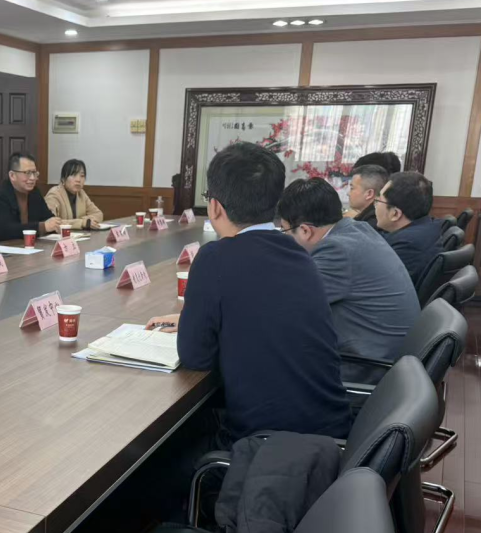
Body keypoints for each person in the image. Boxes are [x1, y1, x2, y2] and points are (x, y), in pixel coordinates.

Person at [147, 142, 350, 444]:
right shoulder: (298, 253)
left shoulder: (214, 257)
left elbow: (195, 358)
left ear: (215, 207)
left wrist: (198, 324)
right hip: (331, 431)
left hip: (268, 444)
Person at [277, 178, 420, 384]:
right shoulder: (356, 230)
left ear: (306, 230)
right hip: (386, 358)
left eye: (284, 231)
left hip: (365, 370)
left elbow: (286, 305)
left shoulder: (337, 251)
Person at [375, 171, 443, 286]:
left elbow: (374, 283)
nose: (375, 205)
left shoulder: (407, 245)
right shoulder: (426, 227)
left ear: (395, 213)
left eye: (378, 201)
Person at [0, 152, 61, 242]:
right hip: (3, 246)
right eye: (27, 173)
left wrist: (54, 224)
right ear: (12, 175)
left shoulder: (35, 192)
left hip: (30, 245)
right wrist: (42, 227)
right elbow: (4, 230)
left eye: (34, 173)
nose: (32, 178)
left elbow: (48, 218)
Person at [44, 159, 103, 230]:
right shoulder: (54, 194)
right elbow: (51, 222)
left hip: (78, 235)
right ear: (63, 179)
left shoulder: (81, 193)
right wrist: (82, 223)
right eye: (73, 175)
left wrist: (85, 221)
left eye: (82, 176)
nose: (78, 180)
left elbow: (99, 214)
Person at [346, 164, 390, 229]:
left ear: (369, 194)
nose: (348, 193)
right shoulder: (378, 218)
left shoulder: (367, 227)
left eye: (352, 188)